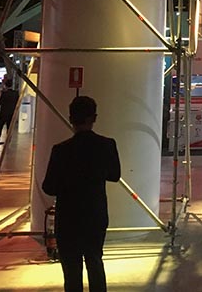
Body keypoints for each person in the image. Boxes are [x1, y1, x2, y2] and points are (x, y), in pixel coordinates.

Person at [42, 96, 121, 292]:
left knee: (71, 270)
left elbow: (48, 187)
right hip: (95, 214)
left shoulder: (60, 150)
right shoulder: (107, 145)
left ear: (70, 119)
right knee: (95, 262)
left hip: (68, 217)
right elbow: (114, 175)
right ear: (94, 118)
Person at [0, 77, 20, 147]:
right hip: (11, 113)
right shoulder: (15, 93)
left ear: (5, 85)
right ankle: (8, 141)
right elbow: (17, 102)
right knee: (9, 128)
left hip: (3, 113)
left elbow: (0, 102)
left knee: (0, 127)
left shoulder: (4, 93)